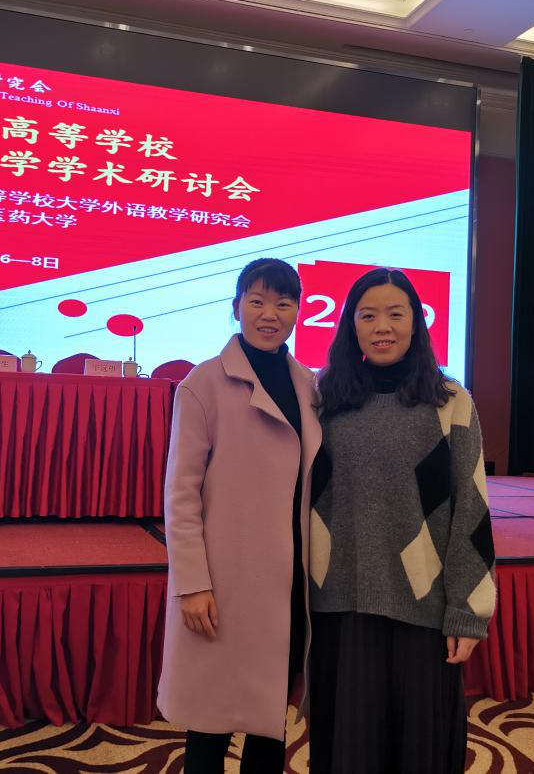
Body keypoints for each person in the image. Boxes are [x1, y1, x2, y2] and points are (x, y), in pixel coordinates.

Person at [306, 267, 496, 774]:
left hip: (423, 604)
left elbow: (471, 508)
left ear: (417, 321)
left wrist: (468, 612)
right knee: (347, 750)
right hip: (339, 602)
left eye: (396, 313)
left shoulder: (449, 401)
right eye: (367, 315)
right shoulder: (323, 400)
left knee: (419, 750)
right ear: (350, 324)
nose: (382, 327)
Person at [158, 257, 321, 774]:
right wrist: (191, 583)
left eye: (283, 303)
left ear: (297, 312)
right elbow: (181, 494)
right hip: (223, 585)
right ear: (236, 307)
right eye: (257, 301)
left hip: (288, 583)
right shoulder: (203, 383)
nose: (270, 314)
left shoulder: (310, 386)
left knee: (269, 722)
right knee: (209, 724)